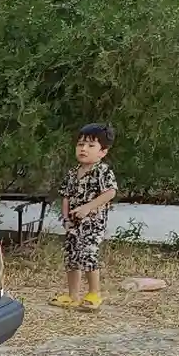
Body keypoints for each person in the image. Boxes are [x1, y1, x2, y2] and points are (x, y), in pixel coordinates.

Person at [53, 124, 119, 310]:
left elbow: (110, 193)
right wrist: (65, 219)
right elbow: (65, 196)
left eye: (91, 146)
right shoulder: (72, 173)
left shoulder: (102, 171)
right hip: (72, 224)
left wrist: (88, 207)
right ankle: (73, 295)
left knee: (89, 255)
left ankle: (94, 294)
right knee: (71, 257)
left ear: (103, 152)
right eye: (81, 144)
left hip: (93, 224)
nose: (83, 149)